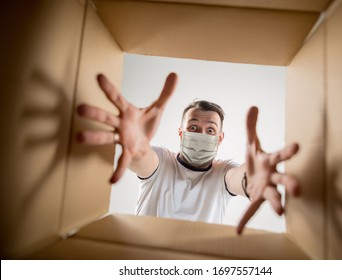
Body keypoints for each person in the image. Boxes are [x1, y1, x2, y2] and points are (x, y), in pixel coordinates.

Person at [76, 73, 300, 234]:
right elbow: (143, 159)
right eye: (193, 127)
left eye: (210, 130)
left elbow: (238, 179)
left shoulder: (222, 173)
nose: (201, 134)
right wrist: (136, 147)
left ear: (219, 138)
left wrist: (251, 179)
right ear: (181, 133)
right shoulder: (162, 161)